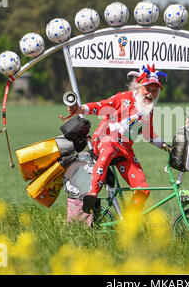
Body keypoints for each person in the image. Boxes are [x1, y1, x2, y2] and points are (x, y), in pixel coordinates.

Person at [67, 64, 171, 216]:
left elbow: (148, 133)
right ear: (138, 87)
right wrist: (79, 109)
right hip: (105, 139)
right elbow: (100, 106)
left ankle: (128, 224)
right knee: (109, 148)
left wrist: (164, 146)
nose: (150, 94)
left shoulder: (148, 110)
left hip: (124, 150)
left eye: (154, 91)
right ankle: (92, 193)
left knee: (144, 190)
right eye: (147, 89)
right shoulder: (123, 98)